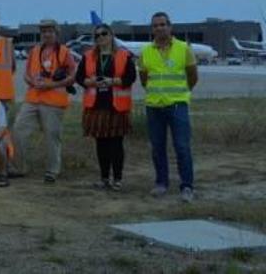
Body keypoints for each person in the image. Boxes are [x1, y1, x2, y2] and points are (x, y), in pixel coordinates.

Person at [139, 12, 198, 203]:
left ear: (170, 27)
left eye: (163, 24)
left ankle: (187, 186)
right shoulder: (146, 51)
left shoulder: (183, 49)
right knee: (157, 147)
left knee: (182, 146)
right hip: (154, 106)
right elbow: (144, 79)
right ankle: (161, 182)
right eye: (155, 25)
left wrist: (181, 93)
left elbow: (192, 76)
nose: (159, 28)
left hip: (177, 105)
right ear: (152, 29)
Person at [12, 19, 77, 184]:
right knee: (18, 130)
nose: (46, 34)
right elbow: (26, 73)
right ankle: (20, 167)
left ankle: (52, 170)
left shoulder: (64, 52)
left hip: (54, 101)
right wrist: (32, 81)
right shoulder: (34, 51)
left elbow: (72, 77)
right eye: (43, 31)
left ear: (56, 33)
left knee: (52, 136)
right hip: (33, 98)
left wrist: (53, 84)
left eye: (50, 31)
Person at [75, 24, 136, 191]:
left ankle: (117, 178)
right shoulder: (88, 56)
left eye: (104, 34)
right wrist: (90, 81)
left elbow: (130, 77)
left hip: (116, 106)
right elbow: (79, 77)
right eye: (97, 35)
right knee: (101, 144)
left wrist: (112, 81)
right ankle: (104, 178)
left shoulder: (124, 56)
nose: (100, 37)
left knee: (116, 144)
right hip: (96, 106)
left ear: (111, 35)